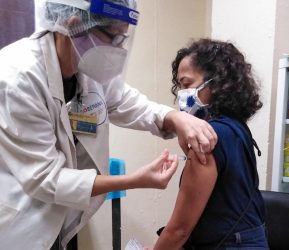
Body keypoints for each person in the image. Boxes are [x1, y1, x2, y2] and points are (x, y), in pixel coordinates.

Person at [0, 1, 218, 249]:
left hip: (63, 217)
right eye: (114, 37)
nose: (119, 49)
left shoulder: (86, 67)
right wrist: (133, 180)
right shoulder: (17, 78)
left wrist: (175, 117)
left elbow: (127, 102)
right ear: (75, 25)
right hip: (22, 225)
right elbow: (47, 179)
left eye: (123, 38)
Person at [147, 38, 268, 250]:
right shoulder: (236, 128)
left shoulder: (206, 137)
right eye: (179, 87)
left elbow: (179, 230)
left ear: (216, 83)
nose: (181, 95)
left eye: (187, 84)